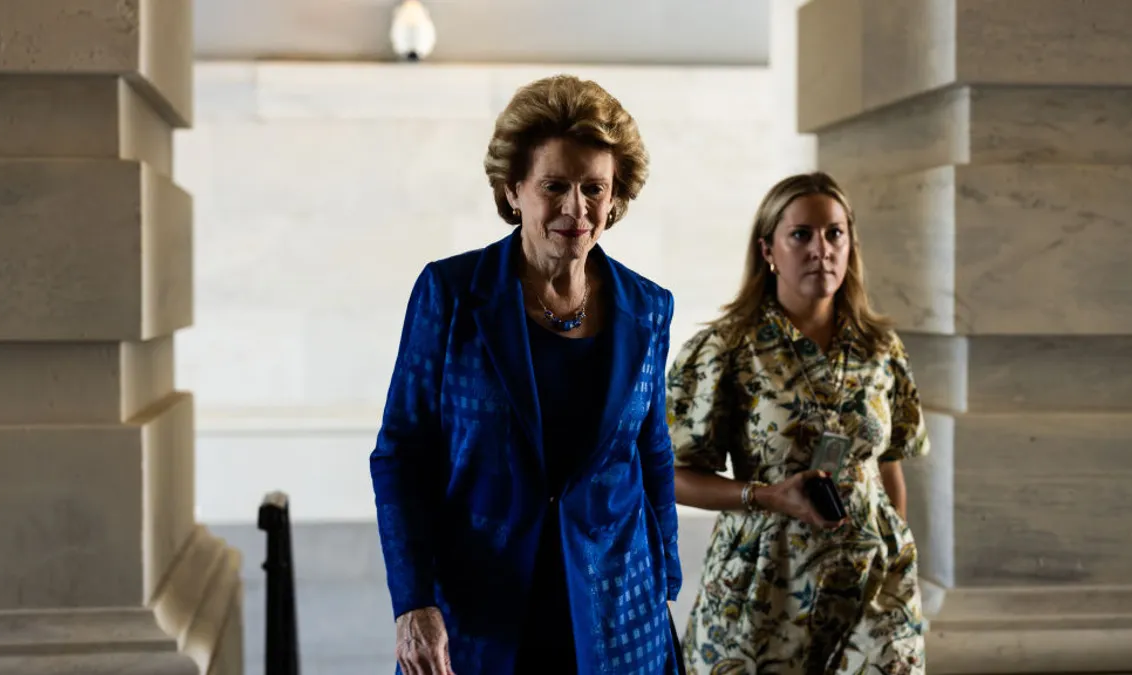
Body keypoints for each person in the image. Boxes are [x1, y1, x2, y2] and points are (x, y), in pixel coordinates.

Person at [370, 74, 684, 675]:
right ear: (514, 190)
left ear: (615, 197)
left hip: (617, 612)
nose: (576, 208)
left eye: (595, 188)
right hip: (481, 609)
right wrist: (413, 602)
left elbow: (653, 453)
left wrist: (664, 580)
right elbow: (401, 454)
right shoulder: (451, 293)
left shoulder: (649, 307)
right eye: (554, 186)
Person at [666, 172, 930, 674]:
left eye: (835, 233)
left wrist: (894, 547)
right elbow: (670, 473)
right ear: (768, 249)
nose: (821, 249)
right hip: (766, 586)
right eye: (801, 234)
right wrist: (764, 496)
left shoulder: (881, 348)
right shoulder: (723, 350)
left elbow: (890, 464)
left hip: (871, 585)